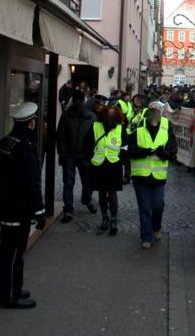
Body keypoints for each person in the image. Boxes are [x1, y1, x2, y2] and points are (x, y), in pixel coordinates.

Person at [0, 102, 45, 309]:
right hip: (19, 207)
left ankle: (6, 289)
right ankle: (11, 296)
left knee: (5, 250)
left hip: (4, 205)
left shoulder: (4, 142)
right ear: (31, 124)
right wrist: (40, 211)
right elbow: (32, 181)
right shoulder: (26, 147)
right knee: (16, 252)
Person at [127, 102, 177, 249]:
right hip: (140, 176)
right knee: (144, 208)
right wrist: (146, 151)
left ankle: (156, 227)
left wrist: (163, 153)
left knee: (157, 206)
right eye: (151, 110)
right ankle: (146, 237)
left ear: (161, 112)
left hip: (158, 177)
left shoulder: (167, 127)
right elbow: (130, 150)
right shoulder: (138, 127)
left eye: (156, 110)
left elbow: (172, 153)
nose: (154, 113)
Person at [57, 90, 97, 223]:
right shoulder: (66, 116)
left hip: (84, 155)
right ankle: (68, 209)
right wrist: (61, 152)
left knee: (88, 182)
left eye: (79, 101)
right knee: (68, 183)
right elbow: (60, 135)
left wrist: (92, 154)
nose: (78, 103)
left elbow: (95, 138)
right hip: (69, 155)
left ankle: (86, 200)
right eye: (76, 101)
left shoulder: (91, 117)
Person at [85, 105, 125, 235]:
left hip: (114, 165)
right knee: (102, 193)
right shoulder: (96, 126)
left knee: (112, 193)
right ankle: (105, 217)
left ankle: (113, 218)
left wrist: (122, 160)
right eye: (109, 114)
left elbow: (125, 147)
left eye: (113, 115)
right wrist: (91, 158)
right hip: (99, 165)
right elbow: (87, 144)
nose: (110, 117)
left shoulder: (120, 128)